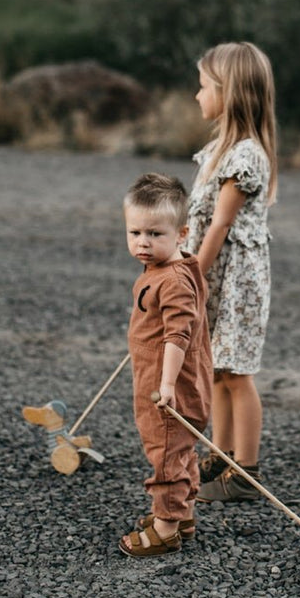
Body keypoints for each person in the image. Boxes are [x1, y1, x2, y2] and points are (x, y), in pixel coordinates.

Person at [186, 41, 278, 503]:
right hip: (218, 280)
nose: (197, 96)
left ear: (230, 92)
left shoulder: (245, 156)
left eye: (204, 87)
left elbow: (222, 223)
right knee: (219, 369)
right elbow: (202, 219)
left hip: (235, 283)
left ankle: (246, 472)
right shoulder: (217, 151)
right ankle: (218, 456)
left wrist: (192, 277)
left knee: (237, 372)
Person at [119, 173, 212, 558]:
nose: (143, 242)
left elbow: (178, 335)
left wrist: (169, 385)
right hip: (159, 377)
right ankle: (182, 514)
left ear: (182, 233)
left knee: (166, 452)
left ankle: (165, 528)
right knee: (179, 451)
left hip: (167, 388)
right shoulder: (162, 269)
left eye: (155, 234)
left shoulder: (174, 280)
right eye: (135, 232)